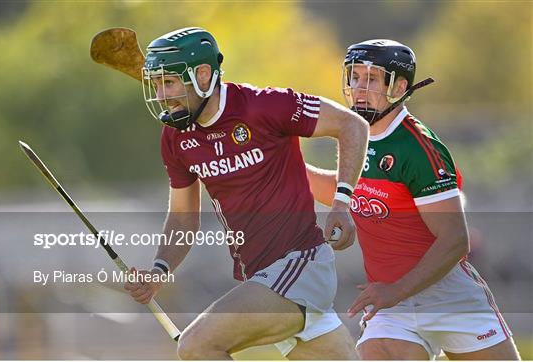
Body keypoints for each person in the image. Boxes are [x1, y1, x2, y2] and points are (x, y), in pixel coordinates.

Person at [123, 27, 369, 360]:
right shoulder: (175, 139)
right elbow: (183, 217)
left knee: (197, 345)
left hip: (301, 266)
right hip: (264, 280)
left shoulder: (265, 106)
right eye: (157, 84)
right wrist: (158, 271)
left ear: (203, 74)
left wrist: (341, 202)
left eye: (170, 82)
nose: (163, 95)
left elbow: (352, 125)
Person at [306, 39, 521, 360]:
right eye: (355, 77)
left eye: (372, 79)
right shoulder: (355, 136)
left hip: (447, 295)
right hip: (392, 304)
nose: (360, 88)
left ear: (399, 85)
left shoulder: (417, 148)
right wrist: (285, 165)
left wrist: (396, 291)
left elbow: (455, 241)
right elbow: (346, 191)